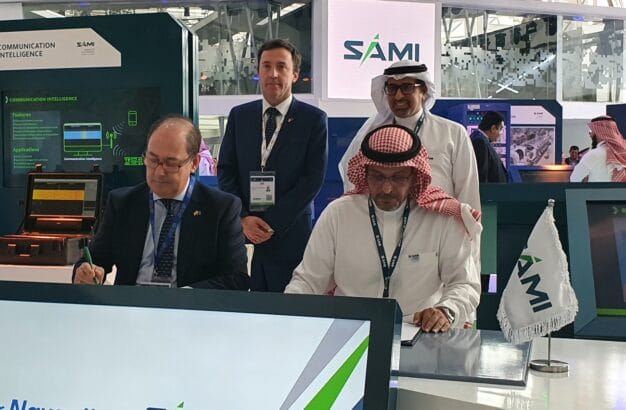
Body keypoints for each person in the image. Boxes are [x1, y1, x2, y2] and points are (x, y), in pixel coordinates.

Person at [285, 125, 481, 332]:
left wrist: (445, 310)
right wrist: (286, 316)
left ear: (414, 176)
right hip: (348, 331)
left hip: (420, 331)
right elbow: (308, 281)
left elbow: (464, 284)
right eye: (378, 177)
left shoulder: (441, 219)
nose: (387, 189)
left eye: (398, 178)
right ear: (365, 173)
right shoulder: (339, 214)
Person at [73, 115, 249, 290]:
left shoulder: (220, 208)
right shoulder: (122, 203)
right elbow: (94, 260)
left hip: (189, 304)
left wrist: (187, 296)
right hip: (131, 303)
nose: (158, 172)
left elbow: (236, 278)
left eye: (171, 164)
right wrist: (85, 272)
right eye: (153, 160)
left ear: (194, 163)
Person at [217, 39, 328, 292]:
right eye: (266, 66)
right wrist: (244, 217)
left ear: (295, 74)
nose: (273, 74)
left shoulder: (313, 120)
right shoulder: (239, 116)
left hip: (289, 234)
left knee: (289, 306)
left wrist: (271, 223)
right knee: (245, 305)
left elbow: (312, 179)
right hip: (243, 232)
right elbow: (226, 170)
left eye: (281, 67)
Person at [338, 61, 480, 212]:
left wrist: (469, 224)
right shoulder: (372, 134)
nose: (398, 96)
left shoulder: (452, 133)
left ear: (424, 92)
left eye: (407, 87)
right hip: (383, 222)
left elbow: (467, 190)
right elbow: (354, 183)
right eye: (392, 88)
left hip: (436, 223)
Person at [570, 115, 626, 183]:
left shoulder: (594, 154)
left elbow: (574, 179)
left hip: (598, 190)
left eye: (591, 131)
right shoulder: (623, 153)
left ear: (598, 131)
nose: (590, 135)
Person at [470, 111, 508, 183]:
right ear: (493, 128)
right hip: (490, 190)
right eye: (500, 129)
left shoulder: (482, 140)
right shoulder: (480, 142)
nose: (501, 133)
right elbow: (482, 175)